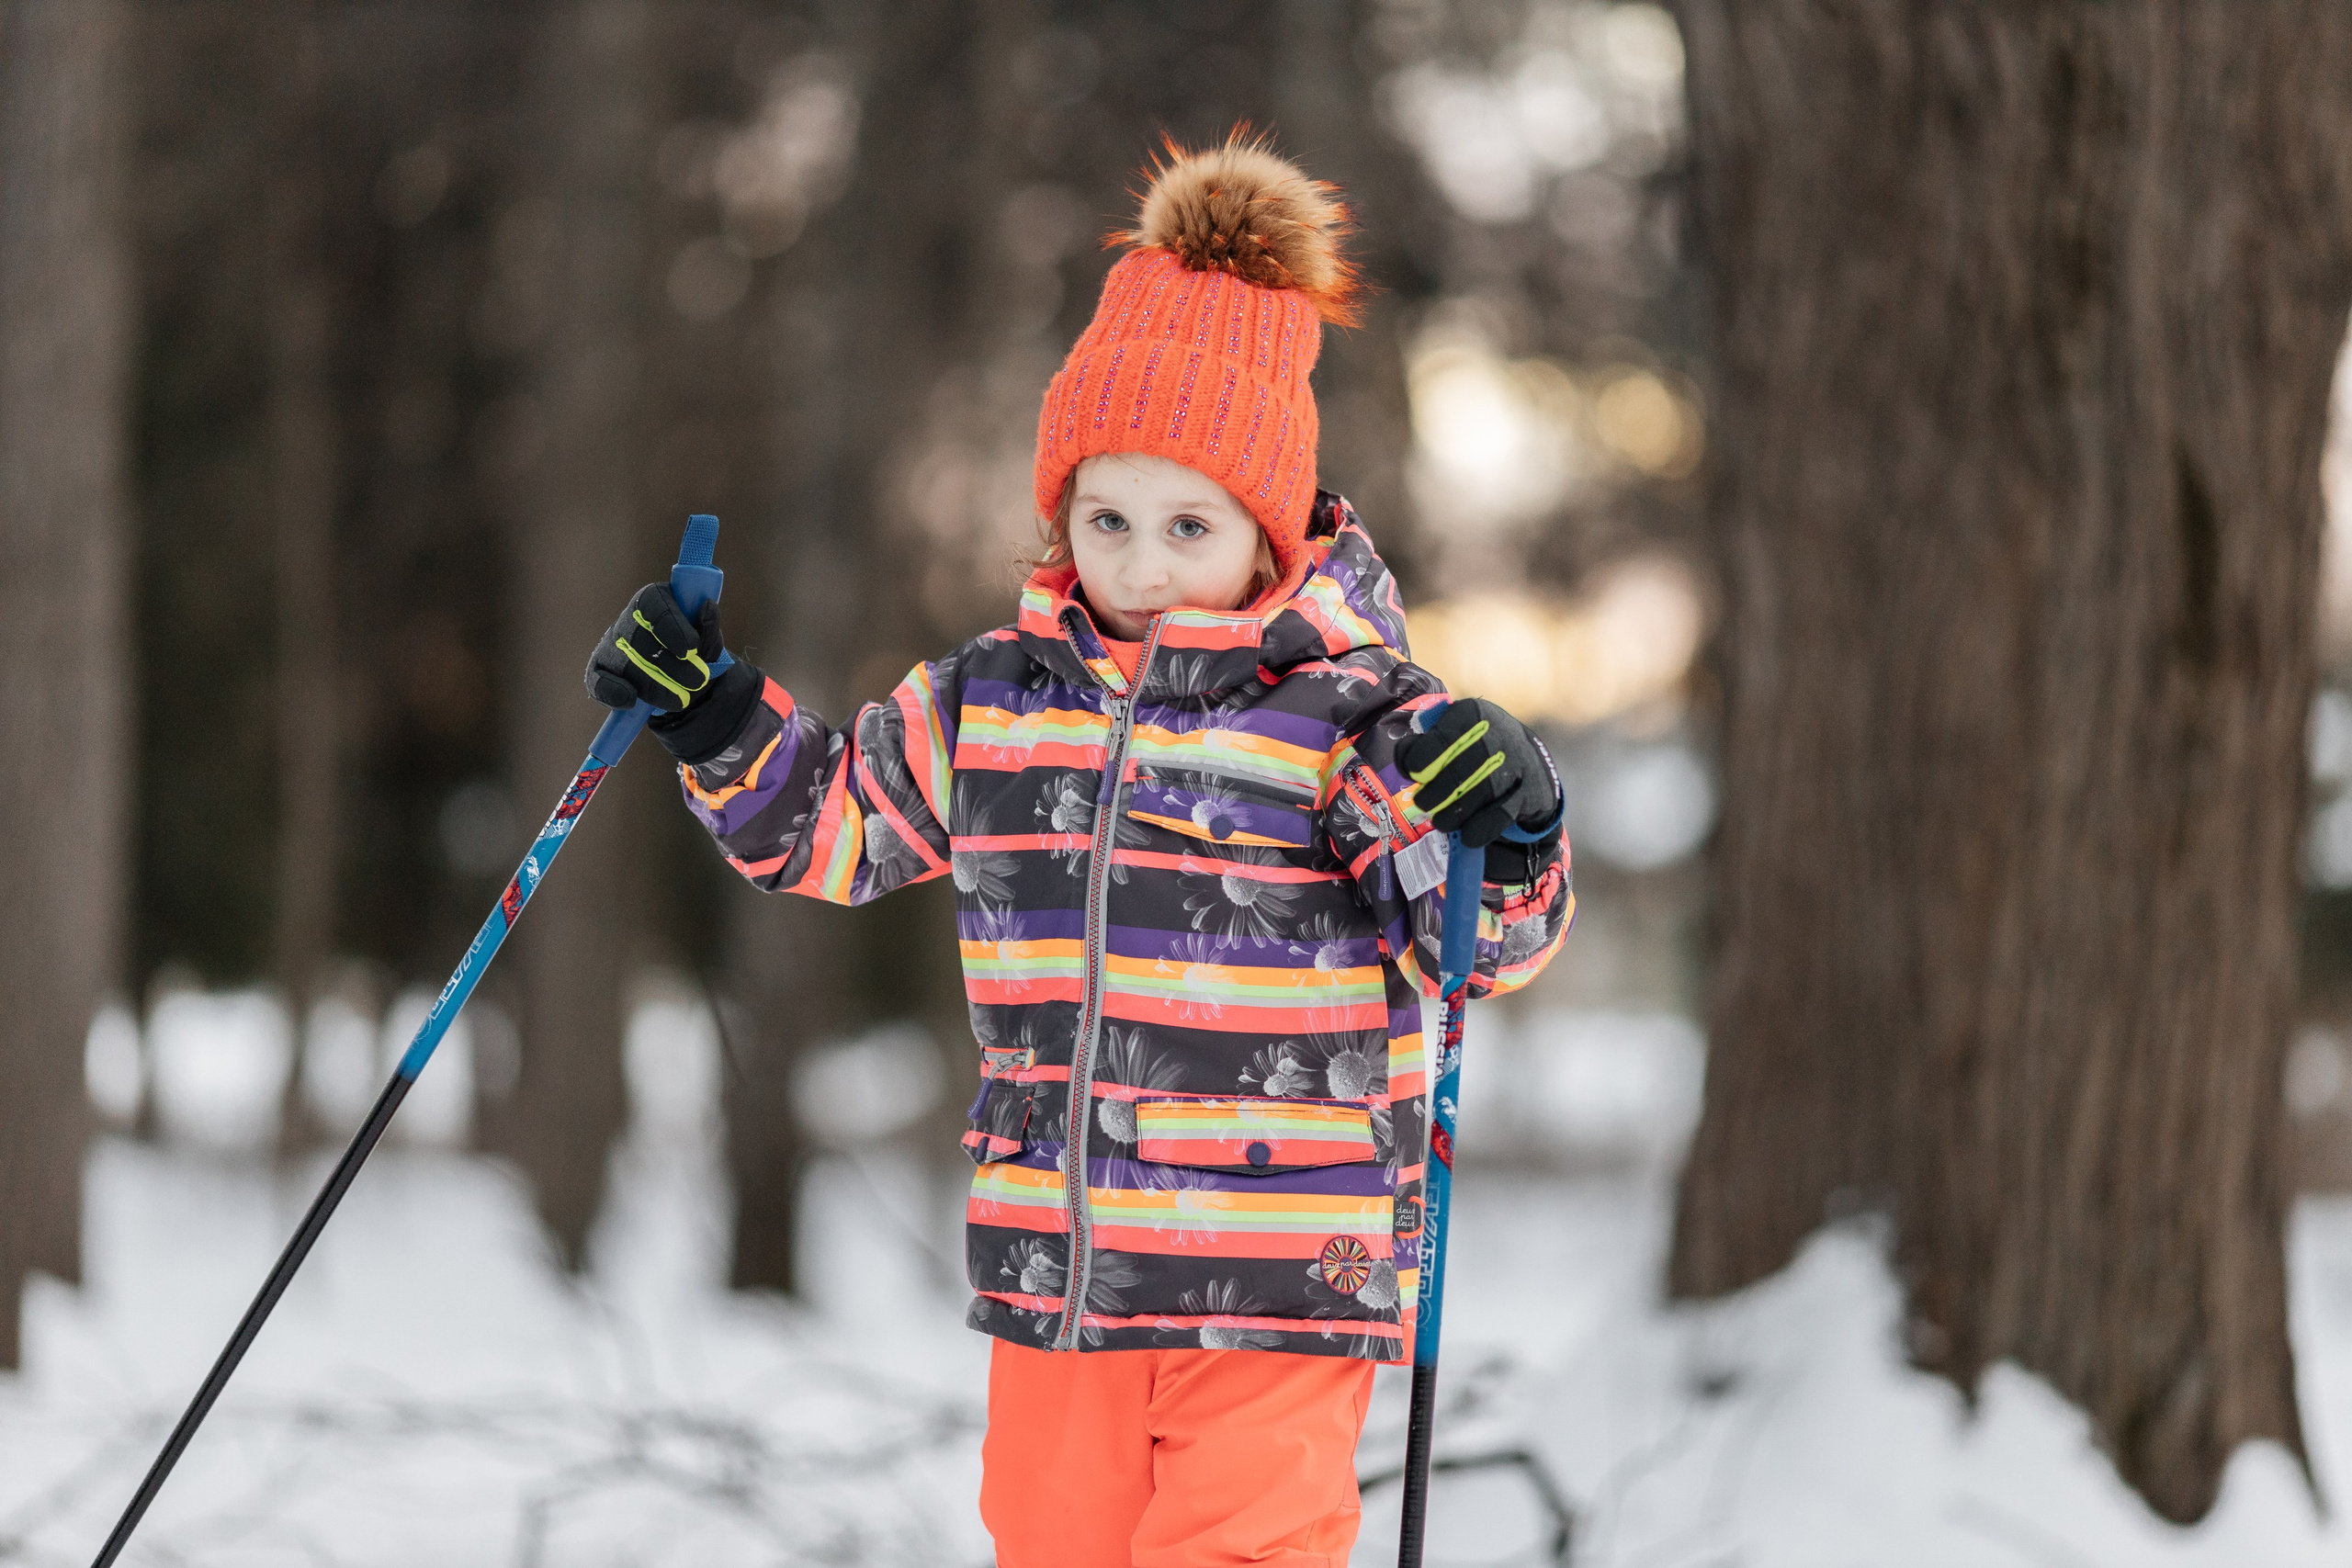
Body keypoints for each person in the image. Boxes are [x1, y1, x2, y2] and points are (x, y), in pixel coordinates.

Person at [585, 132, 1575, 1568]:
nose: (1145, 562)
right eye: (1106, 518)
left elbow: (1473, 942)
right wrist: (717, 717)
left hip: (1281, 1275)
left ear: (1270, 529)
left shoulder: (1354, 717)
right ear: (1061, 513)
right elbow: (835, 827)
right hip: (1062, 1268)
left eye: (1190, 523)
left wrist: (1517, 825)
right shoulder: (995, 695)